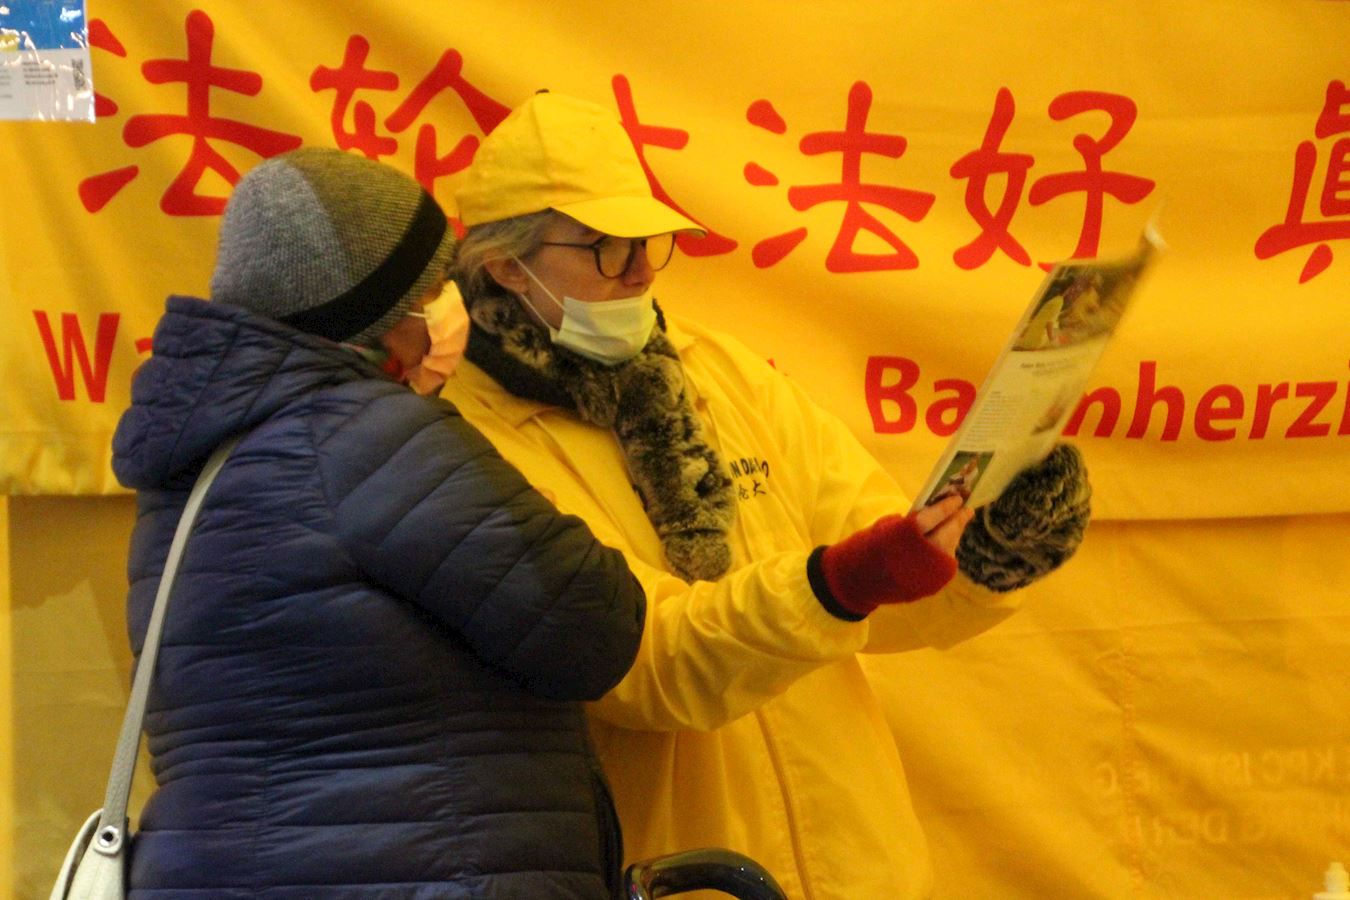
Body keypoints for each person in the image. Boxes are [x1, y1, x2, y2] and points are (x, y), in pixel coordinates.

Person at [437, 91, 1093, 899]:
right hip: (688, 875)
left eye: (649, 240)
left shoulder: (718, 370)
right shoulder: (464, 436)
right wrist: (837, 582)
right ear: (507, 265)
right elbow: (642, 665)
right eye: (607, 246)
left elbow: (875, 577)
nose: (641, 269)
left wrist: (988, 553)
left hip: (862, 868)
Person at [111, 147, 646, 898]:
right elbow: (593, 624)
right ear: (374, 312)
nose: (449, 306)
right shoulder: (369, 436)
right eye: (431, 287)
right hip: (414, 873)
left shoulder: (196, 464)